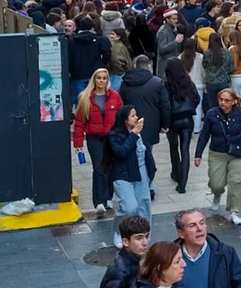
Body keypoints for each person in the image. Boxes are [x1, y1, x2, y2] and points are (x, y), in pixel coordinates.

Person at [194, 86, 241, 225]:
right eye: (221, 99)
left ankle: (235, 211)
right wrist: (198, 154)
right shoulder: (211, 114)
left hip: (236, 152)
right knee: (216, 183)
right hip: (217, 152)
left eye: (226, 100)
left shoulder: (240, 113)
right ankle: (217, 193)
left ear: (233, 101)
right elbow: (204, 134)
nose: (223, 102)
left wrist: (238, 137)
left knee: (238, 181)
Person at [72, 68, 122, 219]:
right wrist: (78, 143)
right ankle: (99, 202)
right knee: (99, 167)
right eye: (99, 78)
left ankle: (108, 197)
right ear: (94, 80)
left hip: (111, 137)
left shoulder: (115, 96)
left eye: (104, 78)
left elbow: (121, 117)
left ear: (108, 80)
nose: (101, 81)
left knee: (111, 168)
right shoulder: (85, 97)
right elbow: (79, 122)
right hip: (94, 137)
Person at [119, 55, 171, 186]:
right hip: (151, 122)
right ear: (149, 65)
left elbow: (121, 103)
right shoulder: (157, 82)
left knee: (133, 151)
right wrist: (165, 124)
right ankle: (148, 181)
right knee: (147, 152)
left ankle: (136, 179)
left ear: (135, 65)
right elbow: (165, 105)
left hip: (130, 123)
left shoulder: (126, 82)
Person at [104, 105, 152, 223]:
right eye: (133, 116)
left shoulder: (141, 132)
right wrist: (134, 134)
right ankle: (119, 231)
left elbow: (146, 152)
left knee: (144, 205)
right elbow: (121, 152)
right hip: (123, 173)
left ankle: (144, 235)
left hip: (141, 171)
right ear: (125, 120)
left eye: (136, 115)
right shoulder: (114, 135)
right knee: (129, 208)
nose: (136, 118)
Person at [162, 58, 201, 195]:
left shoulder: (166, 84)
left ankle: (176, 173)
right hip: (187, 119)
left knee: (173, 147)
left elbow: (165, 104)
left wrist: (164, 121)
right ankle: (182, 183)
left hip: (173, 120)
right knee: (185, 150)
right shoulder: (188, 82)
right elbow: (197, 98)